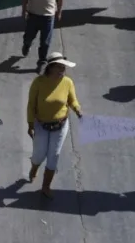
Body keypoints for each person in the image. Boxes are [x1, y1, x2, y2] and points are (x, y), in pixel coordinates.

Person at [27, 52, 83, 198]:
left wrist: (77, 109)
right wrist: (30, 124)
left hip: (60, 126)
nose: (62, 71)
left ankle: (46, 186)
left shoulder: (68, 82)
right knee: (39, 155)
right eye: (59, 67)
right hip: (41, 125)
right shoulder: (38, 82)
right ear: (50, 68)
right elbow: (31, 105)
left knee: (54, 155)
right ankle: (34, 168)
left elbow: (72, 100)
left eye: (63, 68)